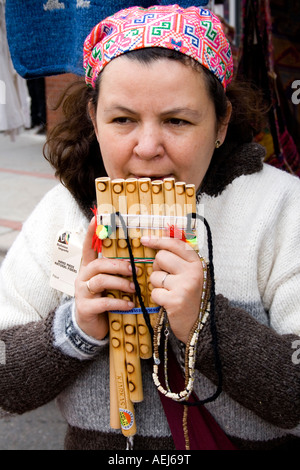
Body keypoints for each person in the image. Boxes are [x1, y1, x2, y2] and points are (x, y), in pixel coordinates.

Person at [0, 4, 299, 451]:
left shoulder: (281, 206)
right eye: (122, 120)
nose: (147, 147)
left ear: (221, 123)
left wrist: (205, 321)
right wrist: (76, 327)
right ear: (94, 119)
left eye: (177, 121)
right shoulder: (64, 210)